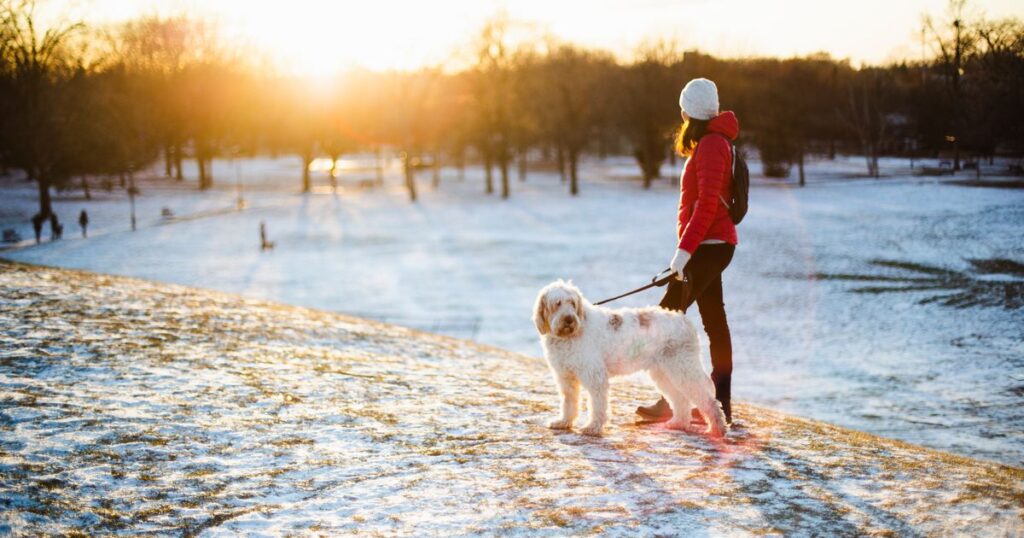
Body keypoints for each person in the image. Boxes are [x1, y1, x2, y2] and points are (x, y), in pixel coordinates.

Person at [636, 78, 739, 425]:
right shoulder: (712, 142)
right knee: (714, 322)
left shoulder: (711, 144)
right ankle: (717, 403)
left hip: (709, 247)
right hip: (710, 246)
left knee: (665, 317)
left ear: (689, 112)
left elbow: (707, 205)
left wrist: (682, 256)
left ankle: (674, 402)